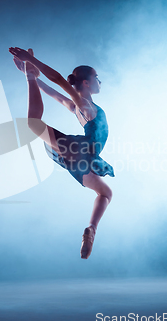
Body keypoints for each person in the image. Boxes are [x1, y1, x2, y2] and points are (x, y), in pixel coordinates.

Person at [9, 47, 115, 259]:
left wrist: (31, 76)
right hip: (82, 151)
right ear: (86, 82)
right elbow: (57, 79)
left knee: (106, 193)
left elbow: (53, 93)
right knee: (34, 124)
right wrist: (31, 60)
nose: (99, 81)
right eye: (97, 78)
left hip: (80, 160)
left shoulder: (76, 106)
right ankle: (92, 227)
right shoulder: (84, 105)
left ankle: (91, 231)